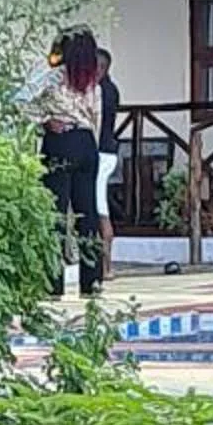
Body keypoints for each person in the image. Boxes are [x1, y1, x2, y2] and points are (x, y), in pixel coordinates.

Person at [32, 27, 104, 297]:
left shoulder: (54, 78)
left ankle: (54, 281)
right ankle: (91, 280)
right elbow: (97, 118)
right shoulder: (93, 83)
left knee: (56, 214)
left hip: (60, 141)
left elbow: (21, 101)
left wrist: (44, 122)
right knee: (88, 212)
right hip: (87, 144)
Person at [96, 45, 121, 278]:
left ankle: (106, 267)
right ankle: (104, 266)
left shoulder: (103, 91)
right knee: (98, 205)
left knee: (99, 206)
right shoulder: (111, 89)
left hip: (102, 153)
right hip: (107, 151)